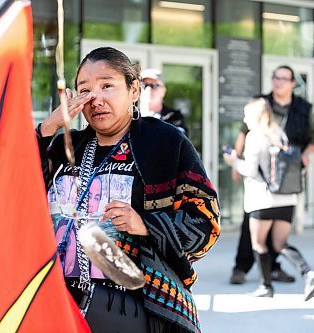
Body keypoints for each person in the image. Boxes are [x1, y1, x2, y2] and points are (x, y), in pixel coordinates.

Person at [37, 47, 220, 333]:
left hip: (140, 309)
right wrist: (48, 127)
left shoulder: (164, 142)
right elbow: (11, 192)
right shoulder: (63, 147)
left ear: (134, 90)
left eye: (107, 85)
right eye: (84, 89)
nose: (95, 98)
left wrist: (145, 224)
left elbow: (206, 223)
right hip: (58, 306)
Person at [229, 65, 314, 286]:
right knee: (254, 230)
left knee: (272, 234)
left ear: (293, 83)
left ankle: (271, 272)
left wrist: (305, 154)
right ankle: (242, 267)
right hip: (262, 177)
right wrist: (236, 161)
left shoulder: (304, 109)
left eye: (284, 78)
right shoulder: (261, 103)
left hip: (289, 177)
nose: (279, 82)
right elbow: (243, 131)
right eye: (276, 77)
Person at [139, 68, 189, 136]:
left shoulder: (174, 118)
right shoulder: (128, 116)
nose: (149, 89)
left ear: (163, 91)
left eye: (154, 85)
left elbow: (180, 142)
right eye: (144, 85)